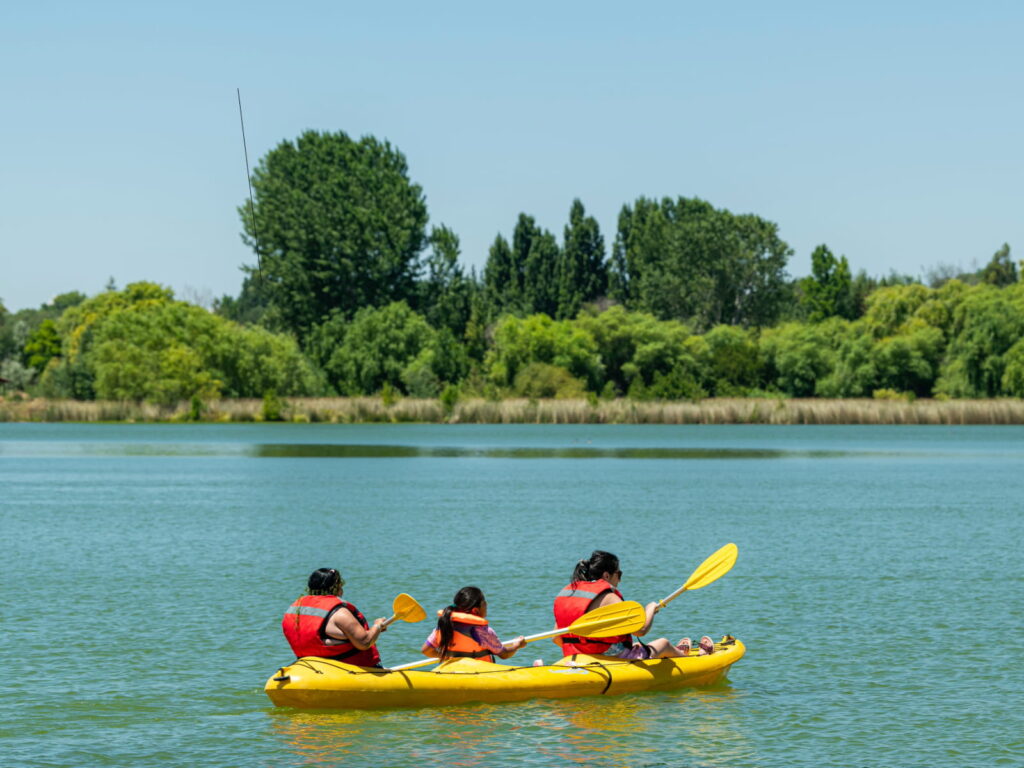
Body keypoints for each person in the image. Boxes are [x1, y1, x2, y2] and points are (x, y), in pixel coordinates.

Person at [553, 550, 715, 660]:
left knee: (634, 645)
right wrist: (649, 609)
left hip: (577, 657)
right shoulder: (608, 597)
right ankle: (690, 660)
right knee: (663, 643)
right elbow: (641, 630)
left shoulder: (571, 593)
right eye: (619, 574)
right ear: (607, 575)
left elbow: (556, 638)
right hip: (610, 658)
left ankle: (677, 653)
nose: (620, 579)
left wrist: (588, 649)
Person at [282, 567, 387, 667]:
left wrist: (374, 631)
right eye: (341, 586)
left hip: (310, 667)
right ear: (336, 588)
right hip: (349, 669)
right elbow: (364, 642)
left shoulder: (296, 609)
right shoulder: (340, 613)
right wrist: (377, 625)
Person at [421, 586, 527, 663]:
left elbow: (426, 651)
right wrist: (517, 645)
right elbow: (504, 654)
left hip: (453, 673)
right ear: (475, 610)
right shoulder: (482, 631)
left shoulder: (444, 625)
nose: (487, 605)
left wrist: (447, 656)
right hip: (478, 675)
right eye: (484, 602)